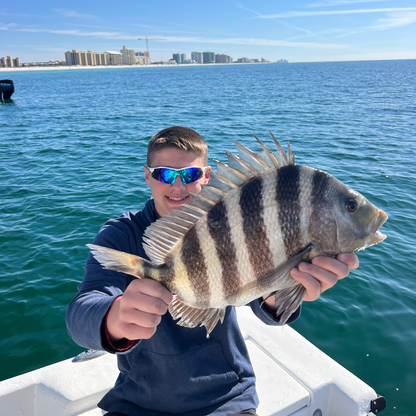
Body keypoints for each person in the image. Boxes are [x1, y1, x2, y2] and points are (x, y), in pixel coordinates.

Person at [66, 126, 359, 416]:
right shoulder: (121, 235)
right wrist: (114, 317)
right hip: (137, 404)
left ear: (206, 177)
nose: (178, 187)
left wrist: (285, 290)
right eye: (165, 174)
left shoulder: (236, 218)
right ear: (148, 176)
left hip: (226, 399)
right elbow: (81, 312)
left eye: (191, 175)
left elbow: (266, 308)